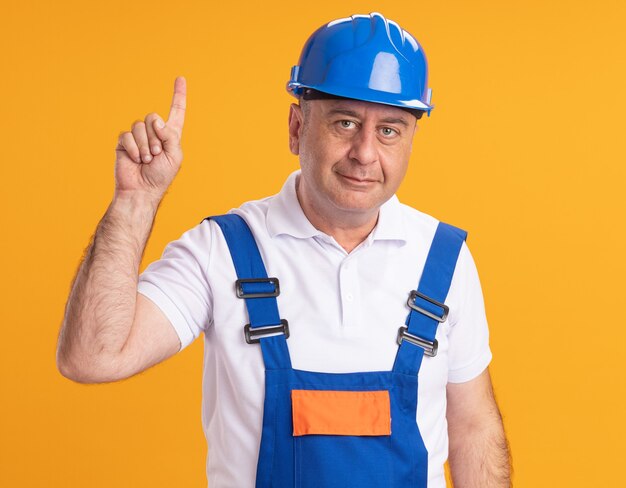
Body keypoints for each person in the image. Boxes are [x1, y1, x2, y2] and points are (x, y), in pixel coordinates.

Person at [57, 12, 511, 488]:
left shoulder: (443, 260)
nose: (365, 152)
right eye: (345, 122)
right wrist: (135, 202)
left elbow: (473, 429)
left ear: (411, 139)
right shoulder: (224, 250)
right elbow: (92, 358)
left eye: (389, 130)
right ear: (297, 126)